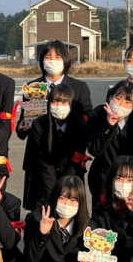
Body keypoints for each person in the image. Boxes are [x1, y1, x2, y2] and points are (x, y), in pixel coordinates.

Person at [22, 83, 89, 211]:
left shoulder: (80, 126)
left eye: (64, 102)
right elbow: (42, 160)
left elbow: (76, 158)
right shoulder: (39, 124)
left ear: (71, 104)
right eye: (55, 101)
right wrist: (52, 191)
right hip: (44, 180)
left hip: (71, 178)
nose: (59, 106)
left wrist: (64, 188)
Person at [87, 81, 133, 202]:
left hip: (130, 180)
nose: (121, 104)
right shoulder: (98, 115)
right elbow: (94, 150)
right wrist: (109, 126)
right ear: (110, 97)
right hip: (102, 179)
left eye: (128, 102)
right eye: (118, 98)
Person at [15, 40, 92, 139]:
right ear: (42, 61)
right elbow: (24, 121)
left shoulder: (79, 87)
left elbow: (87, 119)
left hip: (70, 148)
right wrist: (21, 128)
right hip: (38, 149)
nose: (53, 61)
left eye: (57, 57)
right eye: (48, 57)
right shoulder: (32, 87)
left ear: (65, 60)